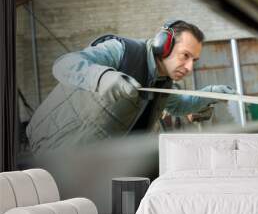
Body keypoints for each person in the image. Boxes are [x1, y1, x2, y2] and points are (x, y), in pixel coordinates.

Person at [26, 20, 235, 155]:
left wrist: (210, 94)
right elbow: (64, 64)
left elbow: (179, 105)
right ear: (164, 44)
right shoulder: (122, 51)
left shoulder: (163, 82)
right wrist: (103, 78)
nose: (190, 67)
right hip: (51, 148)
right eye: (185, 56)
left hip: (91, 162)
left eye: (194, 60)